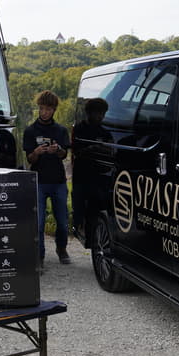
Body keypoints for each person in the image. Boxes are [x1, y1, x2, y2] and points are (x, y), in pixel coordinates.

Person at [23, 90, 70, 267]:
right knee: (39, 223)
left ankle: (61, 249)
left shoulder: (61, 130)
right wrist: (37, 152)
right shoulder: (30, 131)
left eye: (48, 109)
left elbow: (64, 154)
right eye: (42, 108)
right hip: (38, 182)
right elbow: (29, 159)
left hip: (58, 181)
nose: (44, 112)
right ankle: (40, 256)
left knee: (63, 222)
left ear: (54, 110)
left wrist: (57, 150)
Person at [70, 97, 111, 246]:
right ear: (89, 113)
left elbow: (111, 150)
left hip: (98, 177)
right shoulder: (79, 129)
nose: (100, 116)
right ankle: (79, 230)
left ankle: (93, 240)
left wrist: (104, 149)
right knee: (79, 208)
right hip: (81, 175)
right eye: (97, 113)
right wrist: (91, 148)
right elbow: (75, 151)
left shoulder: (104, 131)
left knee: (95, 210)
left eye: (103, 113)